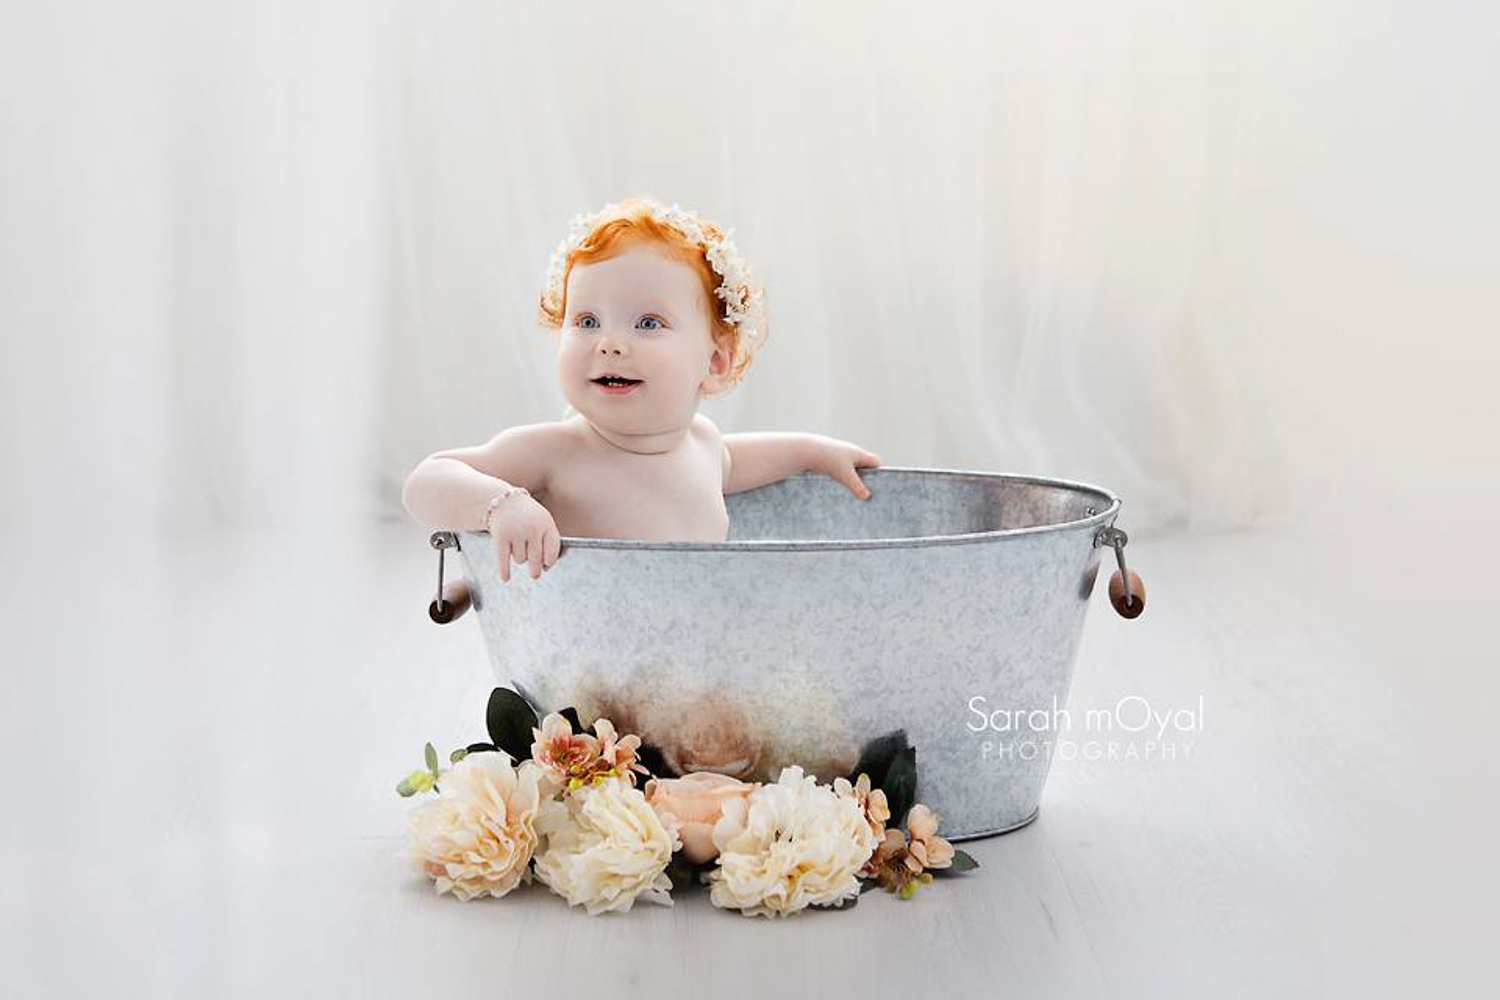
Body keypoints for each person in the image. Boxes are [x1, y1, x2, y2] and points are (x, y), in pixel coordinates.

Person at [401, 195, 882, 581]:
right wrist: (503, 506)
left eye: (648, 323)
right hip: (587, 661)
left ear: (714, 362)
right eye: (586, 320)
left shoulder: (703, 445)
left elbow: (741, 460)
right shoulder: (556, 452)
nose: (609, 343)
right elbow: (425, 481)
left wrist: (813, 451)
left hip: (697, 648)